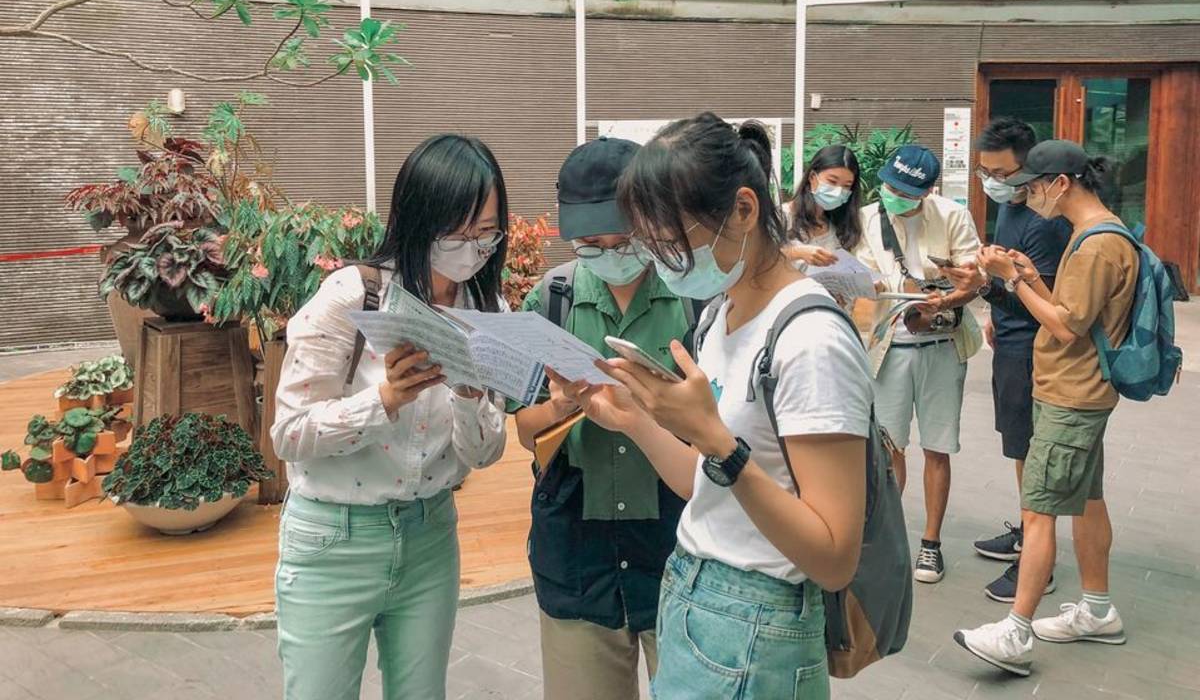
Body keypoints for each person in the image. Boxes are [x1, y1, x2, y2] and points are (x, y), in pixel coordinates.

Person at [563, 113, 872, 699]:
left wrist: (718, 444)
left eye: (672, 243)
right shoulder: (718, 315)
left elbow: (833, 558)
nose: (660, 261)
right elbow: (700, 486)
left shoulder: (812, 339)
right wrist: (636, 419)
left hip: (761, 617)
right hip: (692, 589)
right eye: (650, 244)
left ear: (745, 211)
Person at [271, 134, 510, 700]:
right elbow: (288, 434)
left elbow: (485, 454)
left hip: (430, 537)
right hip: (333, 540)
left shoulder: (489, 312)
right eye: (458, 231)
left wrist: (472, 395)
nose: (473, 247)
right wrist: (385, 400)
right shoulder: (350, 297)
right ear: (418, 219)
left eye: (488, 231)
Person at [510, 137, 691, 700]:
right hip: (577, 546)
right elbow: (525, 428)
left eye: (626, 239)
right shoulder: (551, 299)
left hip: (678, 541)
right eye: (593, 244)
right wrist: (564, 402)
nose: (612, 253)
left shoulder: (695, 301)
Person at [954, 141, 1136, 677]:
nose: (1027, 197)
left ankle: (1015, 631)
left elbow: (1063, 325)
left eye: (1032, 187)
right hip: (1083, 390)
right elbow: (1071, 309)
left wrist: (1009, 281)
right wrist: (1030, 277)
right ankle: (1098, 610)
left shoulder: (1098, 244)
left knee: (1037, 512)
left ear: (1061, 183)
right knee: (1088, 501)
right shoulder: (1098, 234)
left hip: (1070, 395)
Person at [941, 118, 1071, 603]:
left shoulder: (1047, 220)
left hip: (1036, 353)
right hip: (1010, 343)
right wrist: (992, 299)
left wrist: (988, 287)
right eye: (983, 171)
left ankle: (1038, 560)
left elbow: (1050, 301)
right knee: (1019, 449)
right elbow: (1011, 280)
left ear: (1030, 168)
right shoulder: (1013, 208)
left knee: (1033, 455)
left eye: (1002, 173)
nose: (992, 181)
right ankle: (1026, 531)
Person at [855, 145, 983, 584]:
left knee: (938, 446)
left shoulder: (951, 216)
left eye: (906, 192)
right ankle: (886, 538)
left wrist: (948, 297)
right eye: (890, 186)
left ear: (927, 192)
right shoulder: (866, 218)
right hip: (888, 346)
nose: (895, 196)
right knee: (889, 447)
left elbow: (976, 279)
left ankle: (931, 544)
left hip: (943, 346)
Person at [783, 144, 865, 269]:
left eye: (847, 186)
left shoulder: (840, 225)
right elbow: (758, 258)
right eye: (832, 181)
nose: (838, 191)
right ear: (812, 177)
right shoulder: (782, 216)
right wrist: (797, 253)